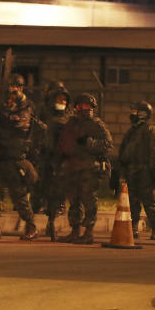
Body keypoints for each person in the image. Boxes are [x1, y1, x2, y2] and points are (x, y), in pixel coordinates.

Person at [0, 73, 38, 241]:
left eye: (17, 87)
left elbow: (17, 124)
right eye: (11, 86)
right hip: (2, 154)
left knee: (18, 194)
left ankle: (31, 226)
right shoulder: (6, 105)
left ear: (22, 88)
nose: (13, 90)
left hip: (15, 156)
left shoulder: (27, 106)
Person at [54, 93, 112, 244]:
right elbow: (63, 144)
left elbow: (107, 144)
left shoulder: (96, 125)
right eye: (82, 106)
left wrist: (88, 142)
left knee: (89, 200)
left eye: (88, 106)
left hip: (88, 169)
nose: (85, 109)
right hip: (72, 167)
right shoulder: (71, 123)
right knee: (73, 201)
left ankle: (88, 233)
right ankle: (74, 231)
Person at [118, 100, 155, 240]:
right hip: (132, 171)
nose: (132, 114)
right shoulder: (131, 131)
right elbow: (124, 153)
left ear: (143, 114)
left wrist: (153, 172)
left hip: (145, 172)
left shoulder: (151, 130)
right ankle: (133, 228)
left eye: (135, 111)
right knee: (132, 202)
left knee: (149, 202)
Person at [37, 81, 72, 240]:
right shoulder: (45, 114)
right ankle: (47, 218)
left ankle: (53, 220)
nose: (62, 103)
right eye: (59, 99)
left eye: (64, 100)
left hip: (62, 160)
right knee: (45, 187)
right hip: (46, 158)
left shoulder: (69, 117)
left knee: (59, 191)